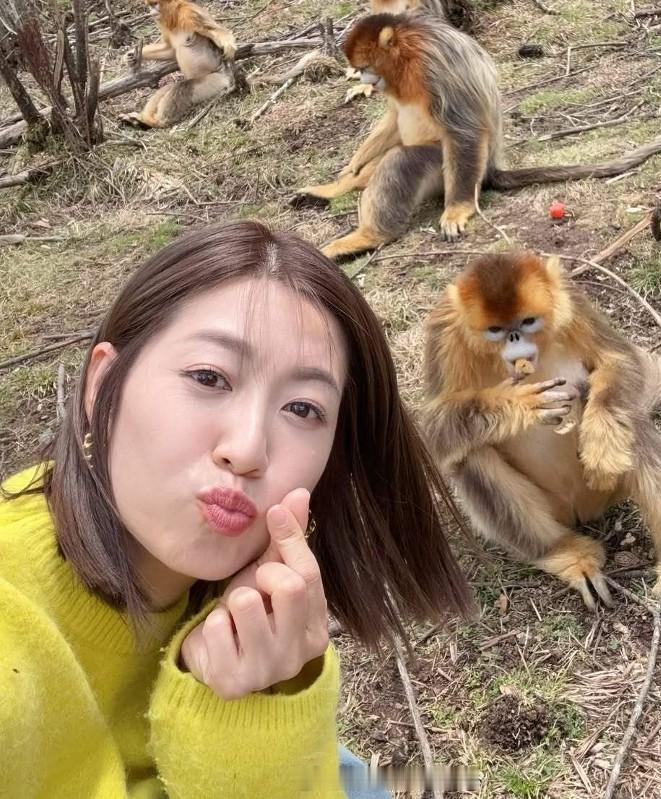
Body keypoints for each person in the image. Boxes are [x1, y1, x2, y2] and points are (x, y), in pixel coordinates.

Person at [0, 220, 473, 799]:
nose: (247, 449)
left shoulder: (249, 603)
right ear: (102, 383)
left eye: (302, 409)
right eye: (209, 377)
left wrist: (249, 708)